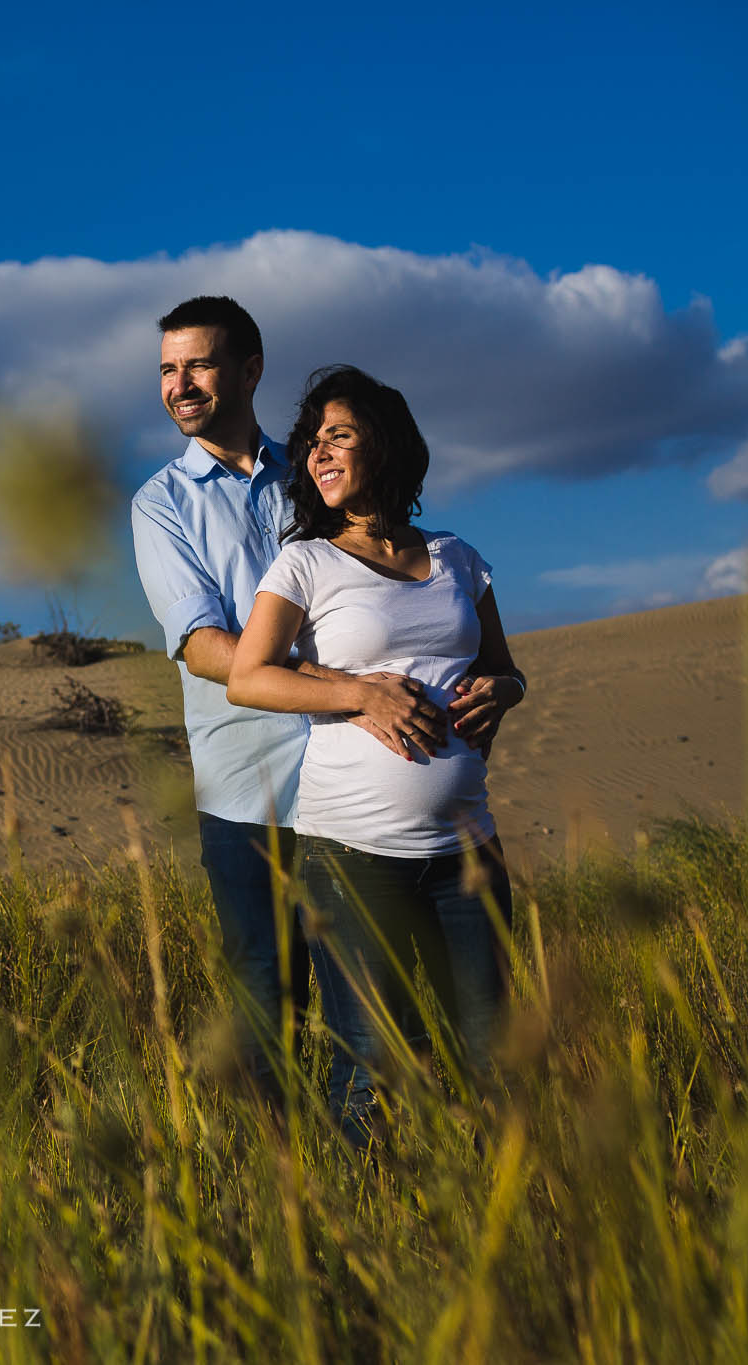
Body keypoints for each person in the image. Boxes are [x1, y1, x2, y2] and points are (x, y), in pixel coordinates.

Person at [131, 299, 442, 1105]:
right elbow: (204, 646)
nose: (179, 385)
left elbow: (384, 589)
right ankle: (282, 1175)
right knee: (267, 1008)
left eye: (198, 365)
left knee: (371, 1003)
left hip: (358, 784)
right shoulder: (162, 503)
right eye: (167, 369)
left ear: (250, 370)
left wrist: (479, 677)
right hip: (248, 791)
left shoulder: (316, 471)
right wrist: (350, 692)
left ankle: (368, 1170)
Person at [225, 364, 525, 1144]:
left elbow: (505, 667)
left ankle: (505, 1204)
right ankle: (362, 1209)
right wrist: (362, 695)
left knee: (497, 1059)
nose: (317, 453)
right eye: (311, 441)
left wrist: (504, 690)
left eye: (338, 435)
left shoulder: (458, 557)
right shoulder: (305, 562)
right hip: (354, 854)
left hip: (469, 850)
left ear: (385, 444)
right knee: (372, 1063)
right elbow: (249, 676)